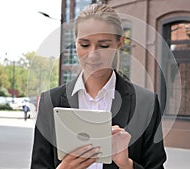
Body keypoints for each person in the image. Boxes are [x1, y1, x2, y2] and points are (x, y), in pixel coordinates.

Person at [31, 3, 166, 169]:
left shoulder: (146, 103)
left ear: (119, 43)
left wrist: (126, 164)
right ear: (75, 43)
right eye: (85, 45)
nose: (93, 55)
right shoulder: (49, 101)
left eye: (103, 45)